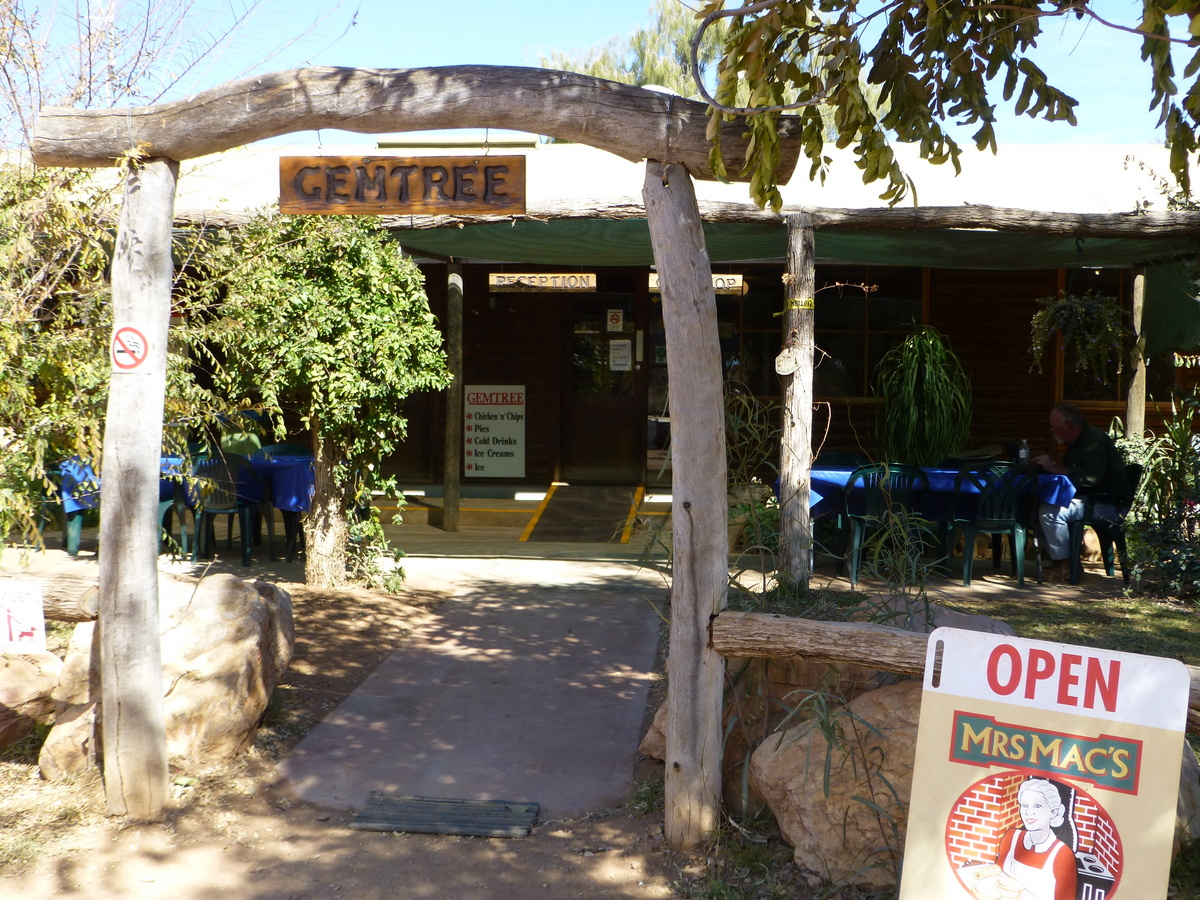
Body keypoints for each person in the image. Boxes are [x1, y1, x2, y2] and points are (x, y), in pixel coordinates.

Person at [1031, 402, 1130, 581]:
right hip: (1090, 499)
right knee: (1035, 508)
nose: (1053, 432)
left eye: (1054, 427)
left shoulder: (1093, 440)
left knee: (1050, 511)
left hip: (1106, 504)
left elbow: (1092, 478)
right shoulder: (1076, 443)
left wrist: (1054, 468)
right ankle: (1065, 563)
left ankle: (1066, 565)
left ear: (1068, 425)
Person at [995, 778, 1078, 900]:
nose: (1028, 812)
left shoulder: (1062, 854)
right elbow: (996, 879)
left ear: (1054, 812)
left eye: (1037, 806)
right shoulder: (1011, 837)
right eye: (1024, 805)